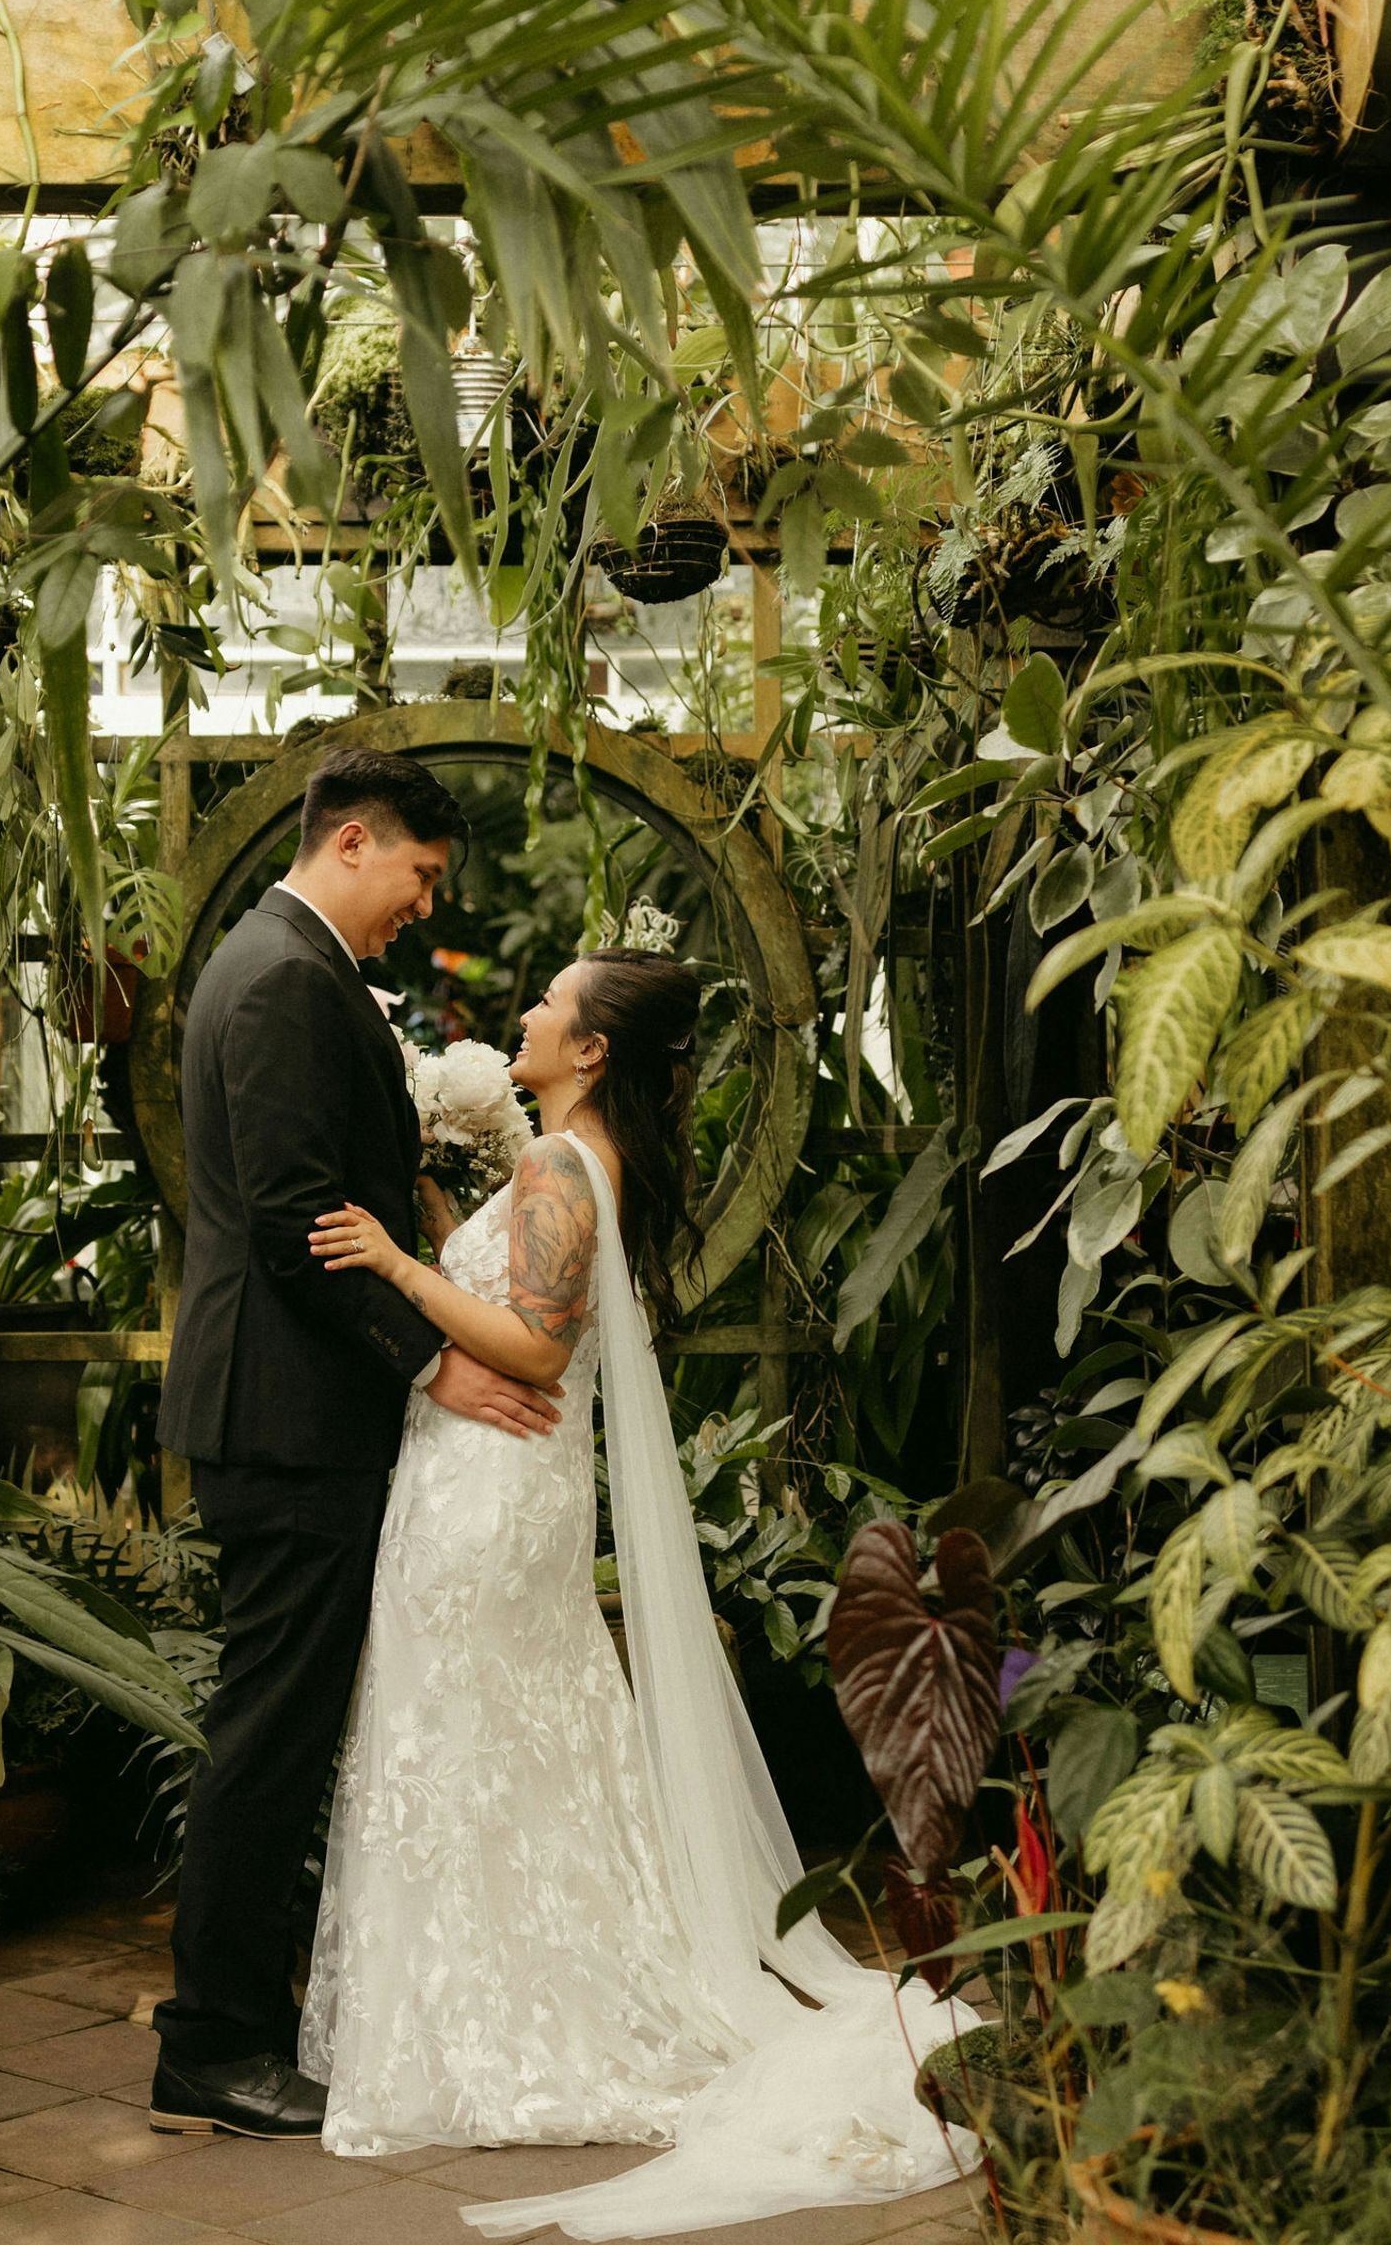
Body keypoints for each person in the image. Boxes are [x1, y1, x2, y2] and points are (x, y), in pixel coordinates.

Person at [297, 949, 981, 2239]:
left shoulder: (563, 1166)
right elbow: (514, 1292)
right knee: (496, 1747)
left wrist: (395, 1264)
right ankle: (486, 1992)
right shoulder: (564, 1159)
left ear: (594, 1049)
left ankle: (493, 2017)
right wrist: (446, 1215)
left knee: (465, 1740)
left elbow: (535, 1344)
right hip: (490, 1484)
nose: (529, 1014)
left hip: (488, 1496)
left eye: (551, 1004)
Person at [147, 746, 562, 2144]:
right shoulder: (279, 980)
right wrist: (434, 1358)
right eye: (422, 877)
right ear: (356, 842)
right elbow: (291, 1220)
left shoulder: (282, 965)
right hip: (284, 1414)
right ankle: (215, 2043)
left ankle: (235, 2024)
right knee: (268, 1732)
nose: (423, 907)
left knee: (275, 1723)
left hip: (290, 1409)